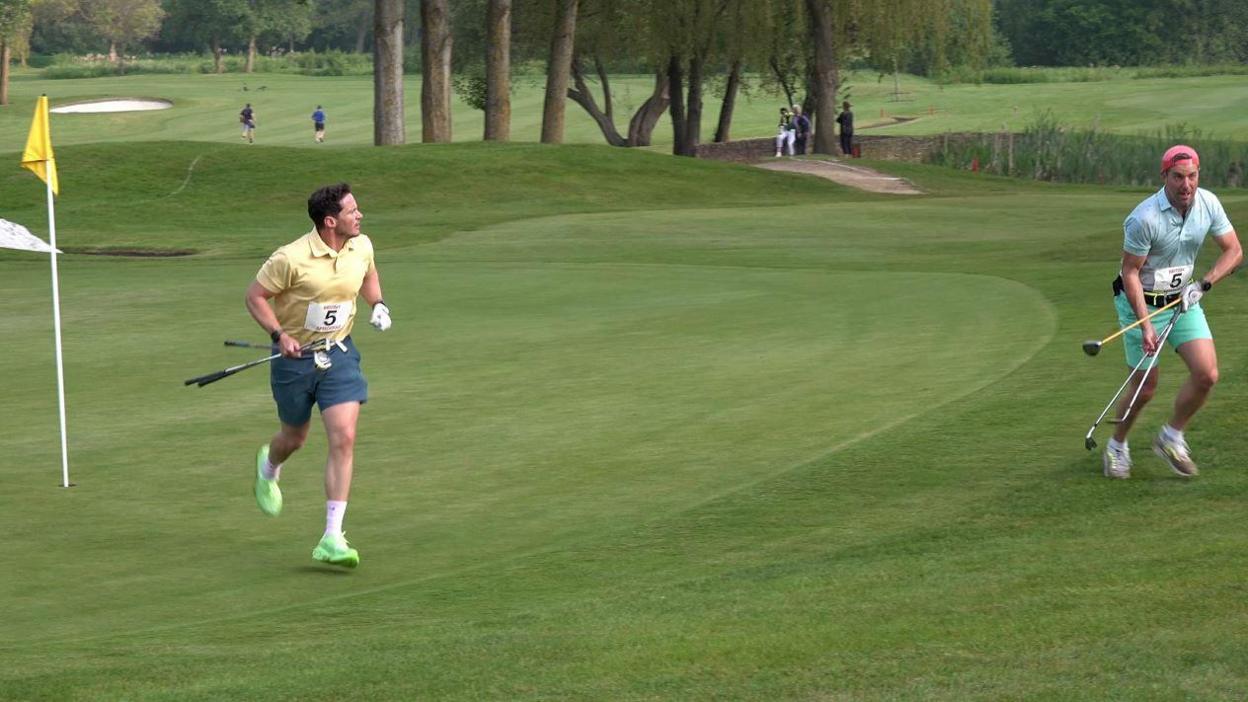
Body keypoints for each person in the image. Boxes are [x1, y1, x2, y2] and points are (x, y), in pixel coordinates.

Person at [244, 183, 393, 567]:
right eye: (351, 211)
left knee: (344, 436)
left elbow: (368, 275)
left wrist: (377, 304)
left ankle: (332, 537)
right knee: (294, 438)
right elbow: (255, 297)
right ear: (330, 221)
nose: (359, 216)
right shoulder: (290, 258)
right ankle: (269, 467)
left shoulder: (362, 245)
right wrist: (279, 335)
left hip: (339, 354)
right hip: (294, 361)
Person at [1101, 145, 1241, 479]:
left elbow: (1234, 251)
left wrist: (1202, 285)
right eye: (1178, 177)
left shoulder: (1208, 203)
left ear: (1198, 176)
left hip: (1183, 300)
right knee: (1145, 387)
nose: (1186, 185)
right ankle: (1117, 445)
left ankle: (1171, 437)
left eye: (1192, 176)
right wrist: (1145, 325)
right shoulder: (1143, 218)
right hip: (1142, 302)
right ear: (1165, 176)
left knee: (1207, 374)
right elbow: (1130, 273)